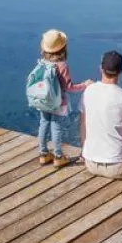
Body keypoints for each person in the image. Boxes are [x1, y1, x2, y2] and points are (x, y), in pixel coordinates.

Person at [78, 50, 122, 179]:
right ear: (121, 71)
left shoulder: (88, 91)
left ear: (101, 68)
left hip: (90, 163)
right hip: (117, 167)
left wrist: (84, 151)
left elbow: (83, 123)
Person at [37, 29, 91, 168]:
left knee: (43, 124)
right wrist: (84, 85)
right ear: (63, 48)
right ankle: (58, 156)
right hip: (57, 102)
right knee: (56, 127)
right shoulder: (62, 66)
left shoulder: (42, 63)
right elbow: (68, 87)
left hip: (42, 100)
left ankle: (43, 154)